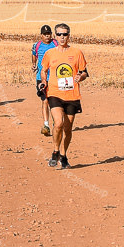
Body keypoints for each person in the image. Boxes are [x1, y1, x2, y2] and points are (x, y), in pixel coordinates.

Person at [39, 23, 87, 169]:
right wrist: (43, 81)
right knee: (58, 123)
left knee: (68, 128)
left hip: (72, 95)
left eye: (65, 34)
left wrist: (81, 77)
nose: (62, 37)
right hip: (54, 93)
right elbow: (43, 69)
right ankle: (55, 151)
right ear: (55, 36)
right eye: (59, 34)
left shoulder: (77, 52)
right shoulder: (50, 54)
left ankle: (64, 155)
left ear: (69, 36)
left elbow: (84, 71)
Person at [31, 25, 56, 136]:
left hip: (55, 77)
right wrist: (34, 64)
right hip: (41, 78)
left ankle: (57, 122)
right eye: (45, 34)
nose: (47, 36)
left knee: (54, 101)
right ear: (41, 35)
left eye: (49, 34)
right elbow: (34, 55)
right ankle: (46, 125)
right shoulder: (37, 46)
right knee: (45, 100)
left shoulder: (55, 44)